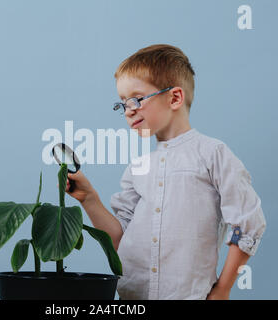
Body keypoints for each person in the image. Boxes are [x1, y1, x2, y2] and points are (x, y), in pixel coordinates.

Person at [63, 44, 266, 300]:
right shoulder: (137, 167)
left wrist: (222, 289)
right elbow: (119, 242)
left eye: (136, 99)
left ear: (175, 98)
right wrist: (89, 198)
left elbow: (248, 225)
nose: (128, 110)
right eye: (122, 104)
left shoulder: (213, 154)